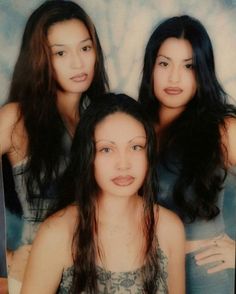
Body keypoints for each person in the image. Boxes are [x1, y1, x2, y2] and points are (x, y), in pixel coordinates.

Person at [21, 93, 185, 294]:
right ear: (88, 156)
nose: (123, 164)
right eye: (107, 149)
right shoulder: (57, 233)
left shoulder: (169, 228)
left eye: (135, 147)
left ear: (148, 153)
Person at [0, 0, 108, 285]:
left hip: (95, 271)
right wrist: (7, 258)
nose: (77, 62)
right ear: (39, 59)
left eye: (85, 48)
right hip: (37, 274)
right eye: (60, 53)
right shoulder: (17, 118)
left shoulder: (101, 116)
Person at [139, 15, 236, 294]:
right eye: (164, 63)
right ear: (150, 67)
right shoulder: (133, 124)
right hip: (140, 273)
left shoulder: (223, 129)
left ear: (203, 71)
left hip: (203, 275)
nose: (174, 77)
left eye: (189, 66)